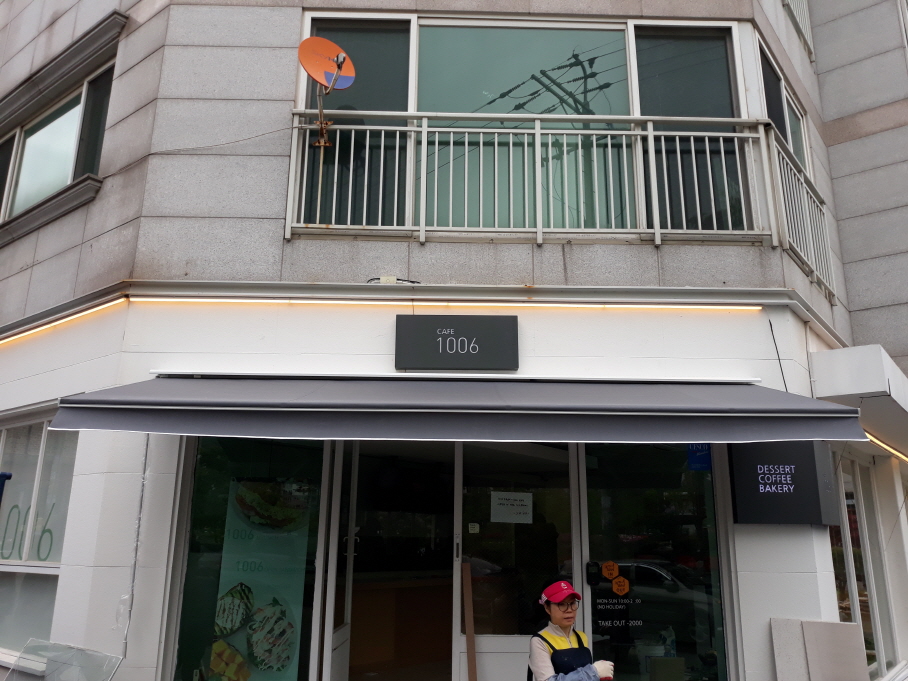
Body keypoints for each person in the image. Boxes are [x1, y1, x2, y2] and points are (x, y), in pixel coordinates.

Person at [527, 581, 615, 681]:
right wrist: (594, 672)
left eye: (572, 603)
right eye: (562, 604)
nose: (569, 610)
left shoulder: (582, 637)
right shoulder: (540, 641)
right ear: (547, 608)